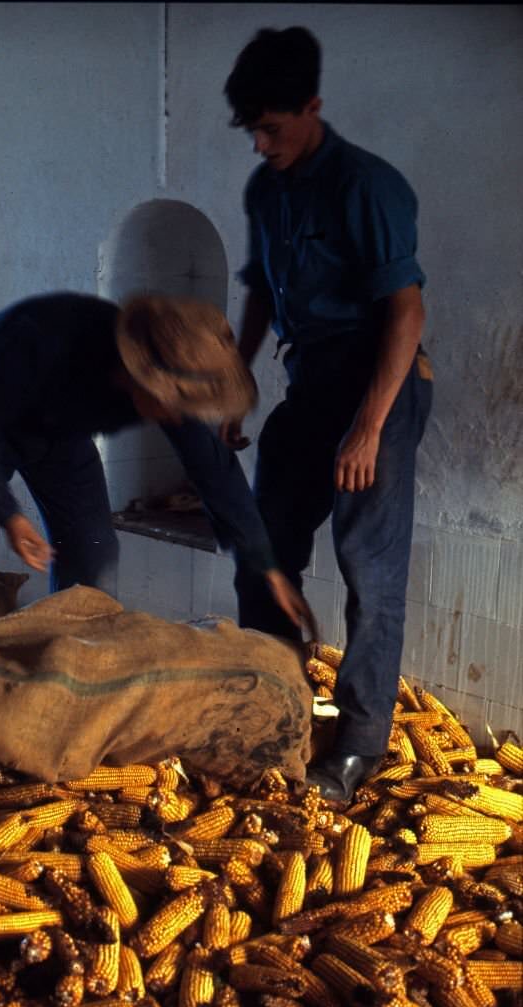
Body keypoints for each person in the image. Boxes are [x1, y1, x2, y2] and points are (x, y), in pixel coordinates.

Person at [222, 27, 433, 803]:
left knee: (367, 570)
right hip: (309, 385)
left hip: (381, 383)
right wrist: (235, 380)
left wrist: (370, 429)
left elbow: (405, 315)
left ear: (313, 107)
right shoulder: (266, 189)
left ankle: (359, 745)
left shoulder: (367, 186)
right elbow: (257, 291)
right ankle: (273, 712)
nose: (259, 144)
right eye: (251, 130)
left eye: (272, 127)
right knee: (263, 548)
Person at [0, 291, 316, 646]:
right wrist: (8, 516)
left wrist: (265, 566)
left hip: (61, 437)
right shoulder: (34, 342)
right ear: (141, 377)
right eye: (172, 404)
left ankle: (67, 666)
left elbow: (214, 469)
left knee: (94, 552)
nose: (176, 418)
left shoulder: (175, 374)